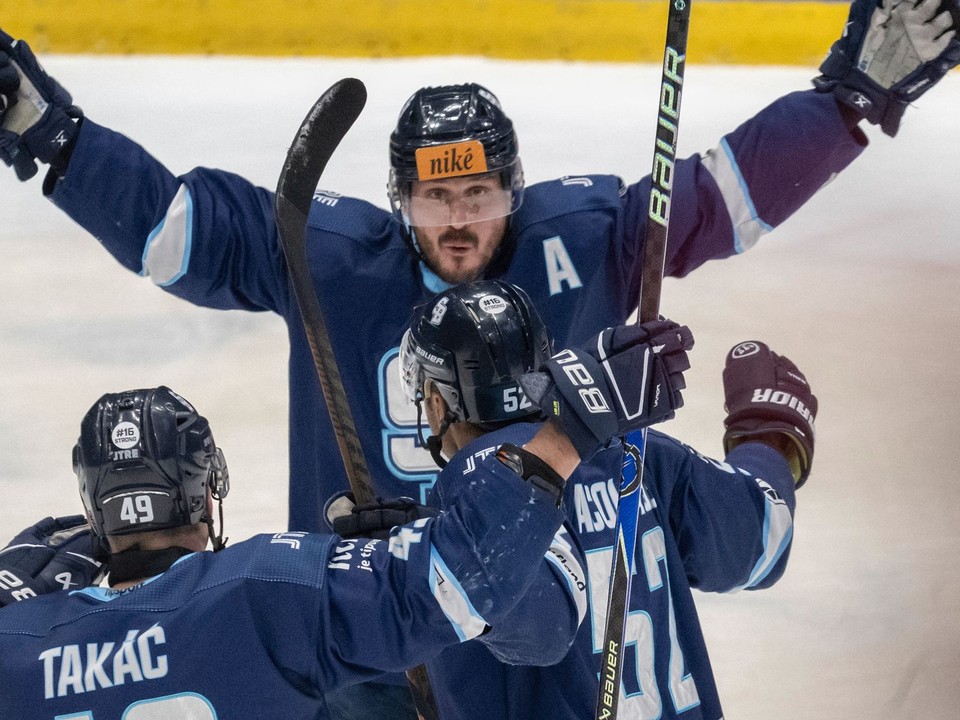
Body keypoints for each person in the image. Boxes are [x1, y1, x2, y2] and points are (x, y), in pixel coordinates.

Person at [0, 1, 950, 713]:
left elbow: (722, 197)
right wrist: (58, 139)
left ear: (515, 190)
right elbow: (175, 229)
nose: (458, 223)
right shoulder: (333, 260)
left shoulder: (582, 238)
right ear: (399, 201)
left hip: (542, 613)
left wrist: (850, 103)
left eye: (481, 196)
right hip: (380, 622)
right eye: (433, 201)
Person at [0, 372, 657, 718]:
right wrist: (564, 436)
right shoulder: (262, 590)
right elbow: (456, 583)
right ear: (206, 492)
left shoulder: (21, 640)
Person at [328, 280, 816, 719]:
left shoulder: (478, 480)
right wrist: (769, 436)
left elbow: (540, 629)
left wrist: (430, 570)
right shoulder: (637, 451)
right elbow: (760, 540)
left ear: (435, 402)